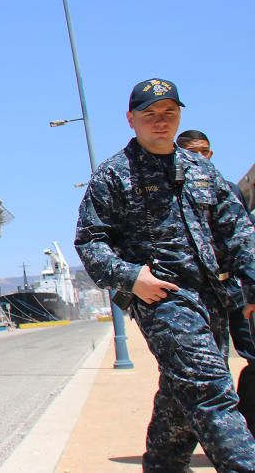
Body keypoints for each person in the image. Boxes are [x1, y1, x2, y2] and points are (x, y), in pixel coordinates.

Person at [75, 78, 255, 471]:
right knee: (210, 389)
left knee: (183, 389)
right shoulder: (113, 175)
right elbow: (90, 242)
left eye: (169, 114)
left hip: (213, 297)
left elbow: (238, 232)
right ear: (131, 119)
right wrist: (131, 277)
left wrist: (252, 290)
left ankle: (163, 464)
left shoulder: (202, 172)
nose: (161, 122)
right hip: (162, 298)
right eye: (150, 115)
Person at [177, 129, 255, 436]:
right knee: (209, 370)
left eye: (205, 151)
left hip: (233, 292)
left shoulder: (227, 190)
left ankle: (245, 433)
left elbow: (243, 242)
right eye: (192, 152)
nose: (200, 157)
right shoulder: (166, 194)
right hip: (195, 298)